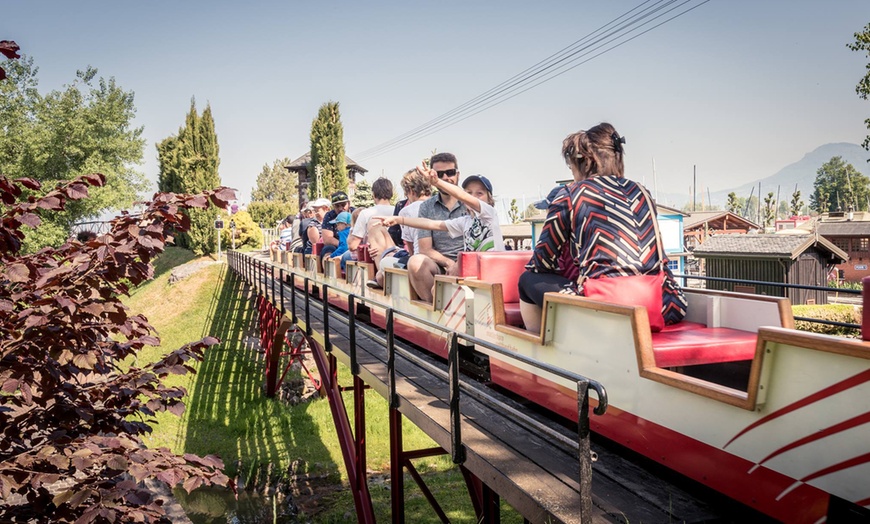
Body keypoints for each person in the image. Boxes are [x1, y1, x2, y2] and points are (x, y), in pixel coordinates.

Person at [517, 123, 687, 333]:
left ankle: (539, 355)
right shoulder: (641, 191)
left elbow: (542, 262)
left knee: (527, 279)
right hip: (665, 304)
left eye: (572, 168)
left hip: (607, 309)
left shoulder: (571, 194)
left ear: (584, 163)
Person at [378, 170, 504, 254]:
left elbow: (462, 196)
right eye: (469, 193)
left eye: (480, 193)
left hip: (493, 272)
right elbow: (433, 224)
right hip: (474, 275)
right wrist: (400, 220)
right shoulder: (466, 222)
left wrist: (437, 182)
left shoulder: (489, 214)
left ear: (489, 198)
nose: (473, 197)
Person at [406, 152, 467, 302]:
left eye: (450, 172)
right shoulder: (426, 207)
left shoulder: (470, 202)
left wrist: (459, 264)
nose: (446, 177)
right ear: (433, 178)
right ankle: (436, 311)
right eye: (440, 174)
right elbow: (425, 249)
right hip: (439, 266)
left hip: (469, 263)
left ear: (458, 174)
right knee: (415, 262)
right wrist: (449, 264)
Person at [365, 169, 433, 289]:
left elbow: (412, 251)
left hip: (420, 261)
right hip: (434, 259)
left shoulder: (406, 211)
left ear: (410, 191)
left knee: (383, 268)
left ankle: (379, 277)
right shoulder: (437, 204)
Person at [342, 177, 396, 267]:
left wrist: (352, 228)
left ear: (373, 194)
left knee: (345, 257)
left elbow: (353, 246)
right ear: (391, 193)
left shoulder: (366, 213)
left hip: (373, 256)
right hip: (394, 252)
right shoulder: (398, 212)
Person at [320, 191, 354, 261]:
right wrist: (343, 245)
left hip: (355, 244)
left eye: (343, 205)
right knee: (328, 249)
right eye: (337, 206)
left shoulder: (356, 213)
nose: (341, 208)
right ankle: (329, 267)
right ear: (333, 206)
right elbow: (327, 239)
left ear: (349, 203)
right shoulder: (329, 216)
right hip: (336, 245)